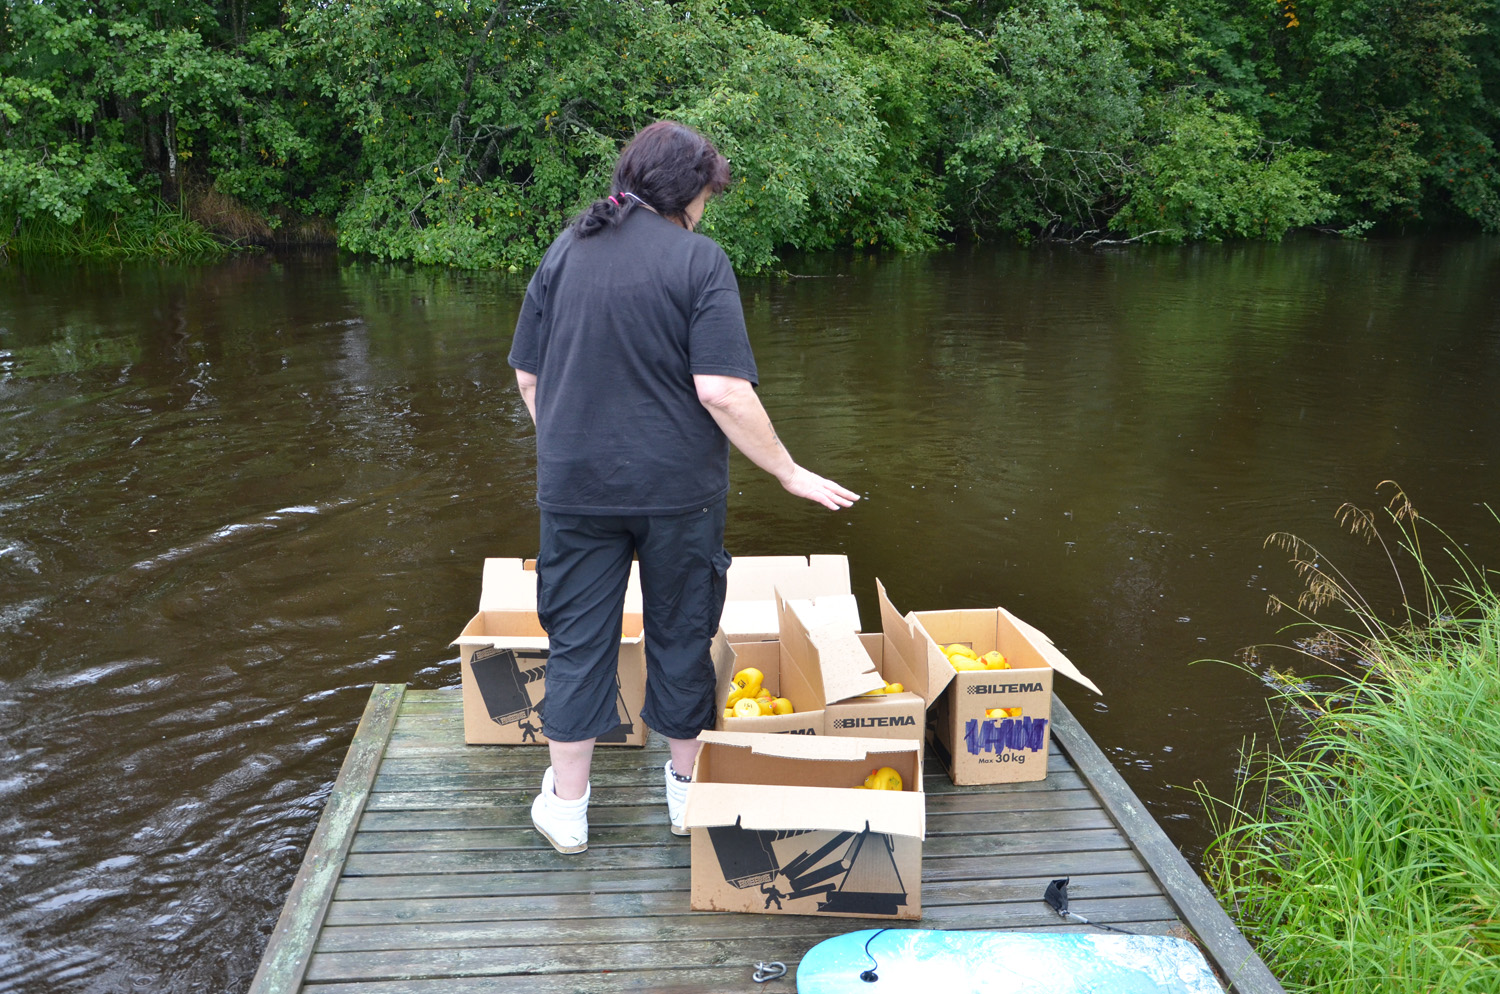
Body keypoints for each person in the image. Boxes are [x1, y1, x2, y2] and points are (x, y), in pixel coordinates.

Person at [508, 120, 859, 854]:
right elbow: (723, 391)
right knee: (680, 635)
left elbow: (529, 376)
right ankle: (685, 798)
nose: (706, 208)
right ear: (686, 192)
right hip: (678, 494)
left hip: (575, 493)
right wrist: (789, 471)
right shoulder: (700, 261)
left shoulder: (565, 249)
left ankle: (567, 810)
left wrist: (569, 446)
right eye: (706, 194)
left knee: (577, 643)